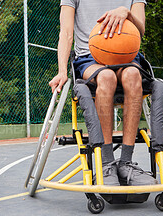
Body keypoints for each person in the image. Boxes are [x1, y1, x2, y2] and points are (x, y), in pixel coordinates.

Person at [49, 0, 157, 186]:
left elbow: (140, 30)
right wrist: (62, 71)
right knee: (107, 77)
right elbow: (66, 32)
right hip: (90, 56)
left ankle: (126, 162)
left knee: (133, 75)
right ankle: (106, 163)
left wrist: (127, 13)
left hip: (127, 54)